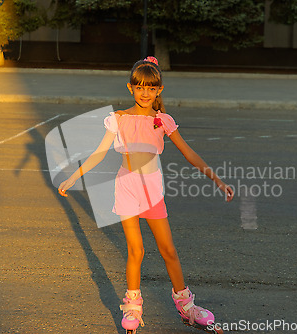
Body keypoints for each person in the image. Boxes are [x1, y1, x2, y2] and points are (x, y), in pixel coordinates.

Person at [58, 56, 232, 333]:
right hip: (126, 186)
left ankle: (186, 306)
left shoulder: (162, 121)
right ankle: (133, 307)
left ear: (159, 90)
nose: (145, 93)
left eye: (151, 88)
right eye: (139, 87)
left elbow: (189, 153)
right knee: (135, 250)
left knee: (168, 250)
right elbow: (100, 152)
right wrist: (73, 176)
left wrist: (218, 181)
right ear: (130, 88)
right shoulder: (118, 119)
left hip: (152, 189)